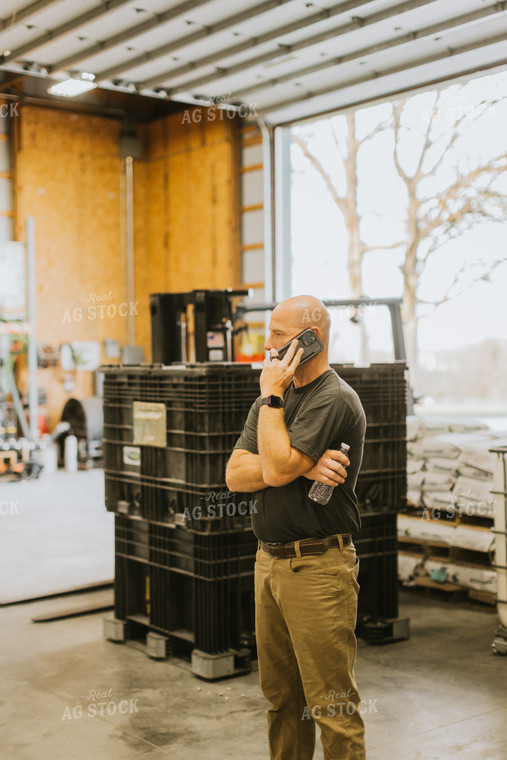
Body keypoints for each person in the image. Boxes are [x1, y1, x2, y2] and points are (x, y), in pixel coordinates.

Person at [226, 294, 367, 760]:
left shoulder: (333, 398)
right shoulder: (275, 399)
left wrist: (282, 454)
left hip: (319, 568)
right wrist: (298, 465)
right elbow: (235, 475)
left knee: (332, 706)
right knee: (282, 701)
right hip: (269, 564)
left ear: (312, 339)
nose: (268, 346)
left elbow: (275, 468)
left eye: (279, 336)